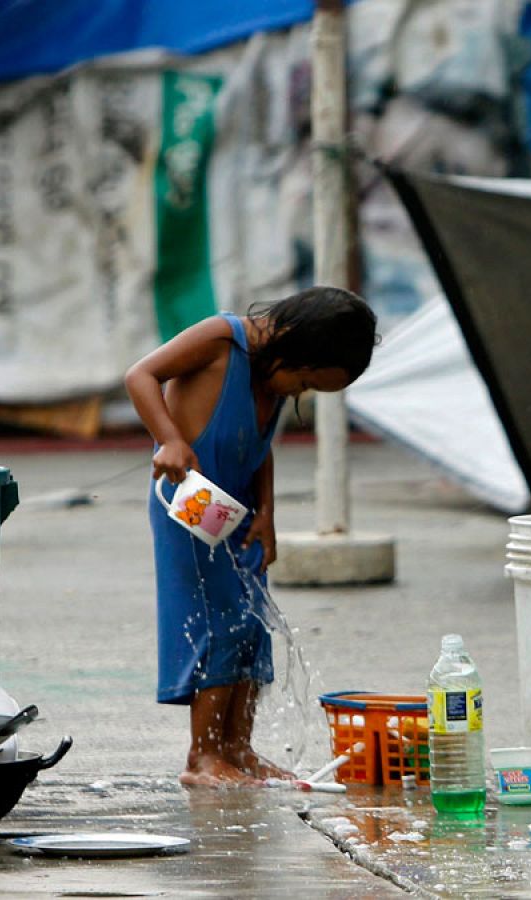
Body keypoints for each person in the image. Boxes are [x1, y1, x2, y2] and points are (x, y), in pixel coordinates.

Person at [124, 286, 378, 786]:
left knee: (251, 625)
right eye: (304, 379)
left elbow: (261, 447)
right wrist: (171, 439)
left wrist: (269, 514)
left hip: (237, 514)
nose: (298, 391)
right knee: (213, 622)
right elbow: (141, 375)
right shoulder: (223, 339)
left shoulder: (275, 377)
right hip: (188, 505)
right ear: (292, 343)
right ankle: (203, 756)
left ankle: (238, 747)